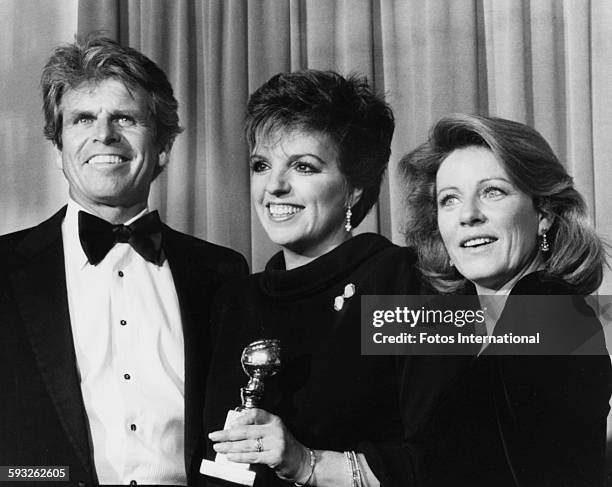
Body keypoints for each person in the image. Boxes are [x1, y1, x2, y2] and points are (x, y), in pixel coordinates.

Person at [0, 36, 247, 486]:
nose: (104, 134)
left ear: (164, 145)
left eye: (125, 118)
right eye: (82, 119)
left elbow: (235, 441)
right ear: (58, 148)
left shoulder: (222, 274)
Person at [201, 70, 461, 487]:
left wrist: (307, 463)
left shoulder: (401, 282)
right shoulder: (234, 298)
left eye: (304, 167)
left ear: (355, 189)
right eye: (261, 165)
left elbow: (443, 459)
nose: (275, 186)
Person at [400, 113, 612, 486]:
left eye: (492, 192)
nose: (468, 215)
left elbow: (461, 460)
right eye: (449, 200)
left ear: (543, 213)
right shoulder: (448, 327)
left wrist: (313, 465)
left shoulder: (552, 306)